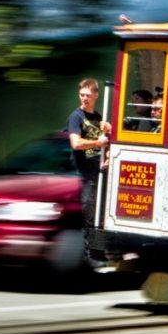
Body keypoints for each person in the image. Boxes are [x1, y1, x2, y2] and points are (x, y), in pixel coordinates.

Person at [67, 78, 112, 231]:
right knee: (88, 214)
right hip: (84, 174)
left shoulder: (99, 118)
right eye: (82, 95)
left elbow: (107, 143)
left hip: (98, 172)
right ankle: (87, 252)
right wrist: (97, 143)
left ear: (96, 95)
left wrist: (107, 158)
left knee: (100, 215)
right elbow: (76, 143)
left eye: (87, 95)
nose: (84, 98)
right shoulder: (76, 117)